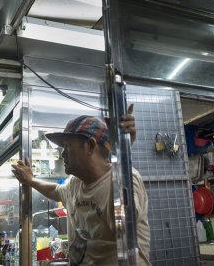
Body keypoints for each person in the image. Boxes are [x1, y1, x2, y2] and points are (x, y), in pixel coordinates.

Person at [12, 107, 151, 265]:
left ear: (90, 146)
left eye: (67, 146)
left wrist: (121, 153)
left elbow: (124, 225)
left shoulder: (127, 178)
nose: (62, 153)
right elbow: (56, 191)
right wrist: (30, 180)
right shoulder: (75, 183)